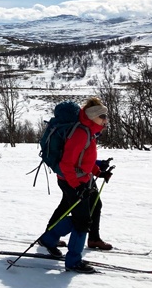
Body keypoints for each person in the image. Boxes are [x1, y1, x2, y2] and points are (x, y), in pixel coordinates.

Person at [39, 97, 113, 274]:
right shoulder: (81, 133)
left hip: (82, 180)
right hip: (72, 181)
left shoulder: (89, 131)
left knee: (82, 216)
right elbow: (66, 165)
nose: (105, 119)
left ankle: (49, 239)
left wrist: (98, 172)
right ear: (93, 116)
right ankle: (73, 261)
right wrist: (77, 186)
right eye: (102, 116)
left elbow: (84, 160)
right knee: (81, 221)